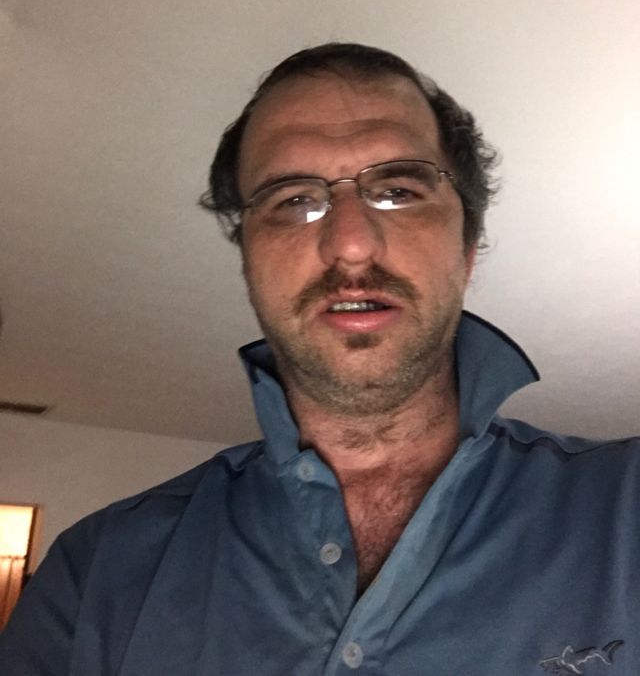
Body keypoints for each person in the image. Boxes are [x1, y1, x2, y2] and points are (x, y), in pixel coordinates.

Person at [1, 43, 638, 675]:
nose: (351, 244)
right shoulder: (96, 573)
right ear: (250, 262)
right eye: (293, 200)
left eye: (399, 189)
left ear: (467, 250)